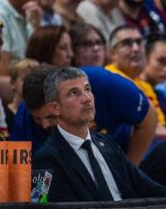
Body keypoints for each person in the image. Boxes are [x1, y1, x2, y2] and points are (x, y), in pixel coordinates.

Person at [32, 67, 166, 202]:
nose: (86, 99)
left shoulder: (106, 143)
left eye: (87, 89)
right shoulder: (44, 160)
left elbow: (149, 188)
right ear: (55, 108)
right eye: (74, 93)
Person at [12, 64, 157, 161]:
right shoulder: (24, 119)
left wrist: (129, 170)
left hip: (116, 154)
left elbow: (149, 117)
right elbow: (28, 181)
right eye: (37, 119)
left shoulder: (102, 84)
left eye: (51, 116)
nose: (44, 125)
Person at [105, 26, 166, 132]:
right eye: (127, 43)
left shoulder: (145, 85)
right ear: (112, 53)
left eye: (139, 42)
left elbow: (160, 124)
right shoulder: (110, 81)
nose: (135, 48)